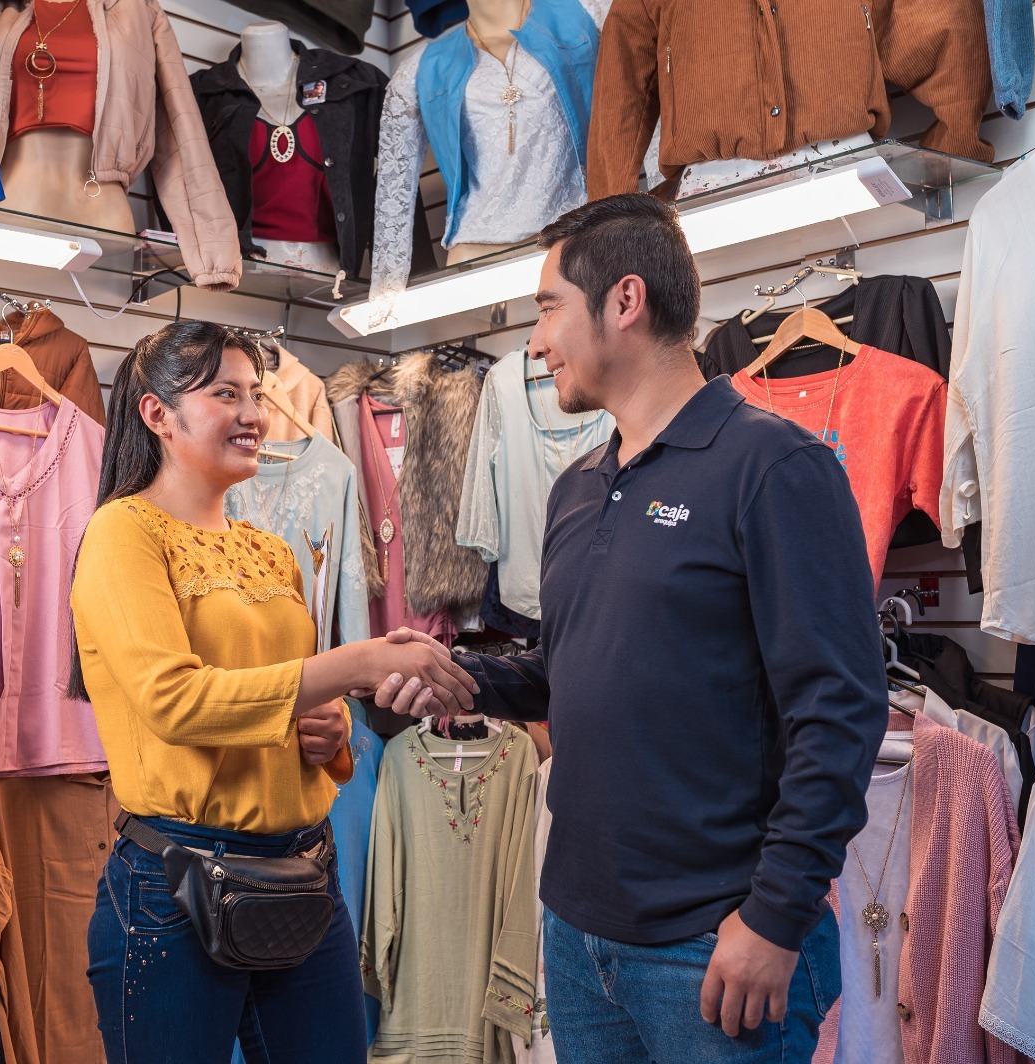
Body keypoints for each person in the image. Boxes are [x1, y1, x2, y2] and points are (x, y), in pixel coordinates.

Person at [374, 194, 886, 1061]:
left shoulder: (775, 467)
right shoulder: (578, 487)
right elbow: (568, 666)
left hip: (711, 942)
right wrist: (456, 675)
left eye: (548, 309)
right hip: (579, 938)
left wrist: (775, 915)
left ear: (624, 301)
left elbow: (840, 710)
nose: (537, 342)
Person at [68, 321, 479, 1064]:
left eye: (255, 394)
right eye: (226, 395)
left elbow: (293, 699)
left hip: (302, 877)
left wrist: (330, 734)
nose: (255, 414)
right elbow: (176, 702)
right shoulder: (123, 534)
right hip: (176, 888)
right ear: (157, 414)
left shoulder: (271, 550)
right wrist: (354, 664)